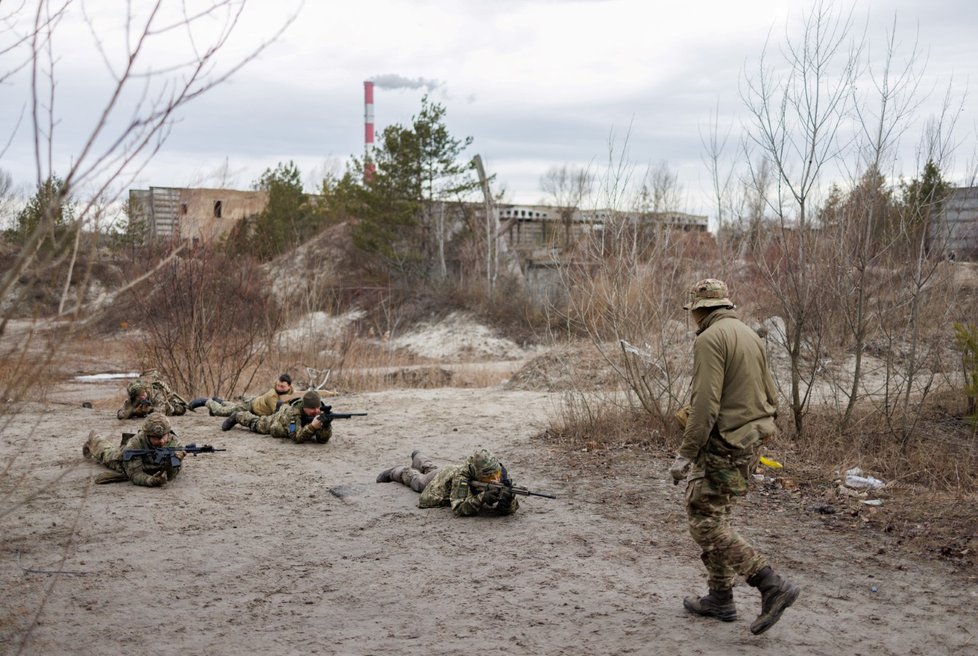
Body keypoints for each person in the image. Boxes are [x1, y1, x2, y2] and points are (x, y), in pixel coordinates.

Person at [670, 278, 799, 635]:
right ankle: (720, 597)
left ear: (698, 310)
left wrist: (685, 454)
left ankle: (770, 584)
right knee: (717, 516)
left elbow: (705, 405)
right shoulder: (749, 334)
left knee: (705, 522)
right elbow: (770, 392)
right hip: (749, 439)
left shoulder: (710, 339)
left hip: (724, 443)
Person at [376, 448, 519, 517]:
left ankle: (418, 456)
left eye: (497, 474)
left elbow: (508, 508)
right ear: (478, 473)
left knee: (430, 468)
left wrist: (508, 501)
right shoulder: (461, 477)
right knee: (418, 481)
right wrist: (483, 497)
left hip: (447, 471)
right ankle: (396, 470)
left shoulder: (499, 473)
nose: (495, 479)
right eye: (489, 476)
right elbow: (459, 507)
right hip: (441, 479)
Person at [82, 412, 182, 487]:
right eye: (156, 438)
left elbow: (171, 475)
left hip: (150, 466)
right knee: (105, 453)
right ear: (147, 436)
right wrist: (151, 481)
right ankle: (93, 439)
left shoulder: (174, 443)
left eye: (163, 437)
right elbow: (135, 475)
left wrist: (174, 462)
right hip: (122, 462)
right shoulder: (134, 445)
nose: (162, 442)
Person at [220, 390, 332, 444]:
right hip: (278, 423)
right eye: (313, 409)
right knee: (257, 423)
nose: (317, 411)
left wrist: (326, 426)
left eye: (318, 408)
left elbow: (322, 440)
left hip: (288, 416)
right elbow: (296, 437)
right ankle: (237, 416)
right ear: (305, 407)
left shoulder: (319, 411)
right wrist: (312, 427)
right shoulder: (292, 413)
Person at [187, 373, 295, 417]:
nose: (279, 388)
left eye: (282, 387)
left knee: (232, 407)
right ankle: (206, 401)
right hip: (251, 406)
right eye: (278, 385)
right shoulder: (272, 395)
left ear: (289, 386)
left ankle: (220, 401)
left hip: (256, 403)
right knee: (221, 412)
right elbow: (277, 414)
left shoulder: (292, 391)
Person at [116, 370, 187, 419]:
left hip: (169, 405)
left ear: (145, 391)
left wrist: (150, 410)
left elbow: (162, 412)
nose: (142, 397)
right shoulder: (133, 399)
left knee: (179, 410)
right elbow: (120, 414)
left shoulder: (156, 394)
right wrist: (134, 412)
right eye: (139, 397)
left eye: (143, 394)